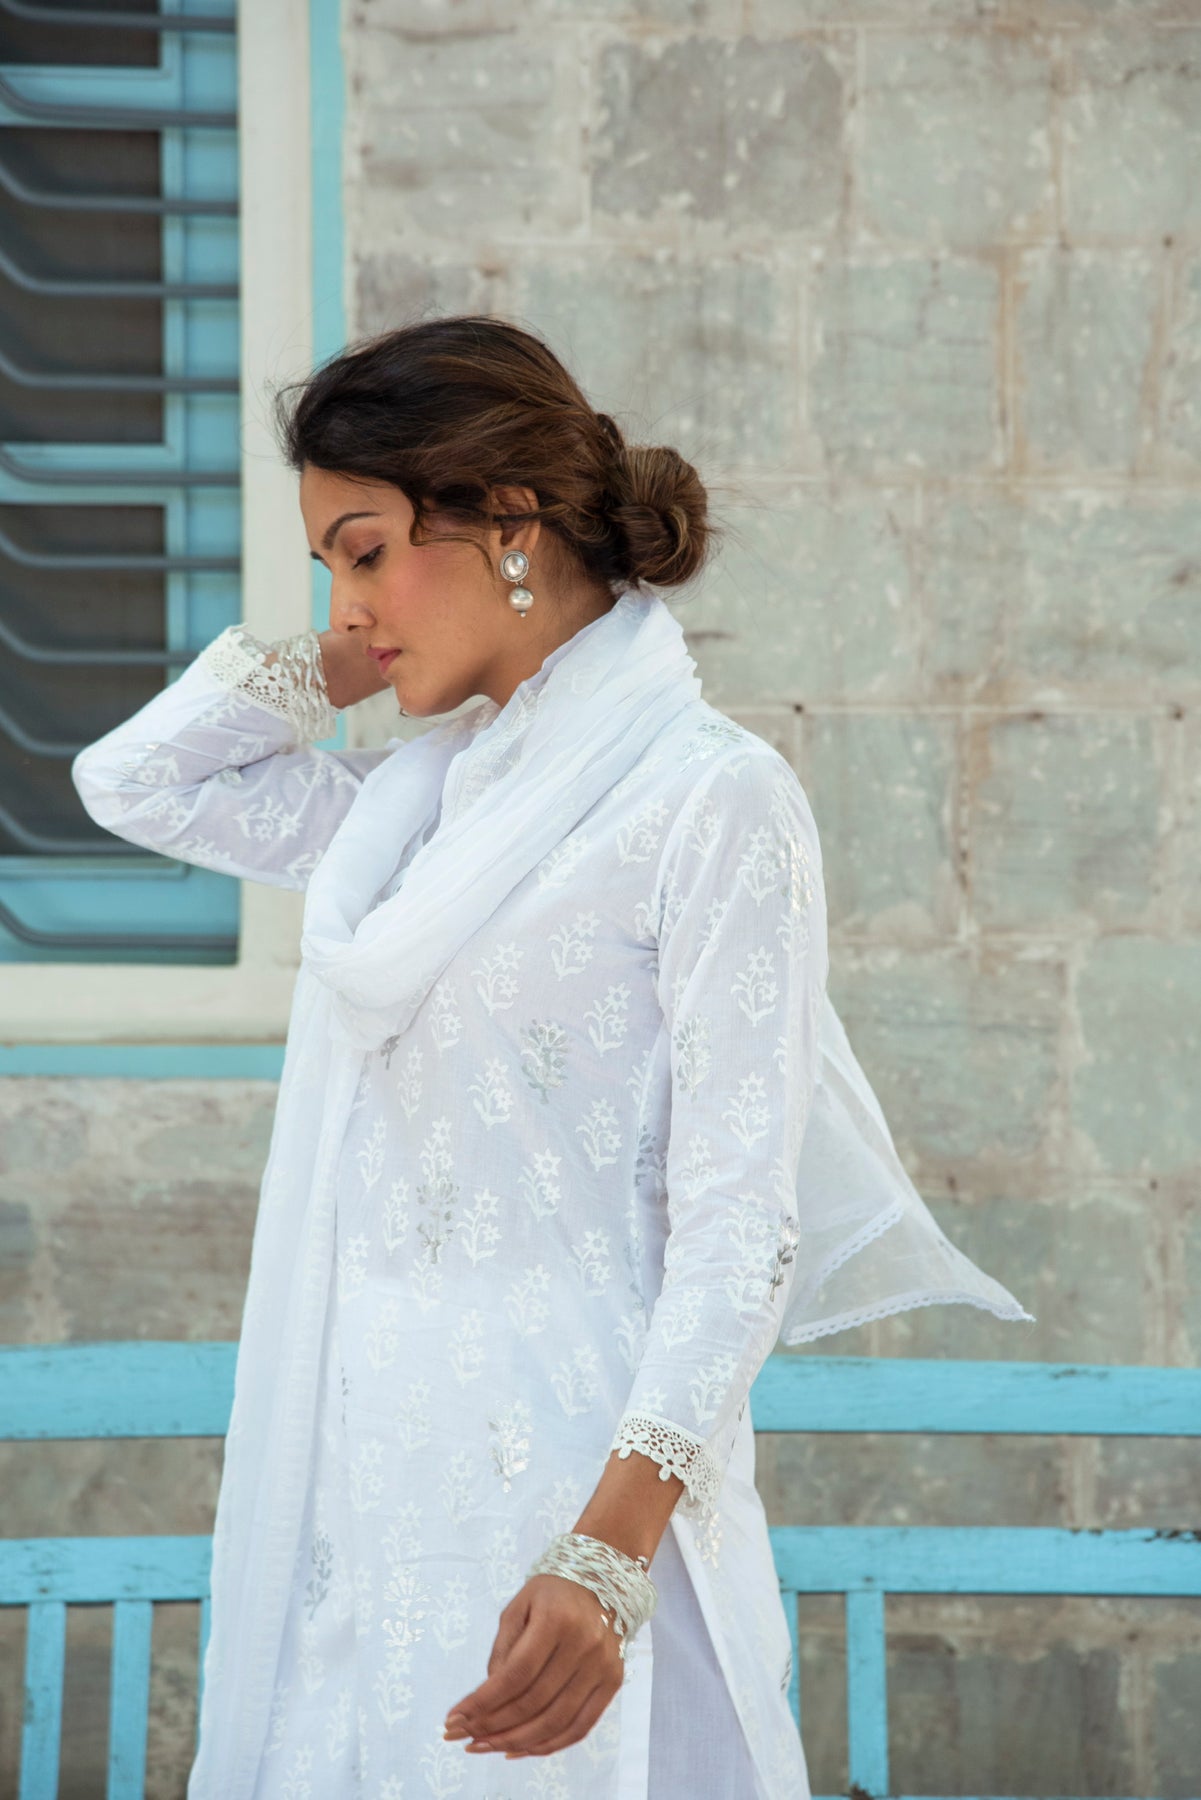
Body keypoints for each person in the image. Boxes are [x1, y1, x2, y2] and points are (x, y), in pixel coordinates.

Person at [72, 315, 1031, 1800]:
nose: (348, 605)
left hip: (584, 1504)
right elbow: (132, 780)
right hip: (370, 1492)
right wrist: (342, 656)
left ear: (507, 519)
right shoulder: (417, 817)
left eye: (365, 552)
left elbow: (740, 1227)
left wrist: (608, 1553)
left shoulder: (711, 800)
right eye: (328, 566)